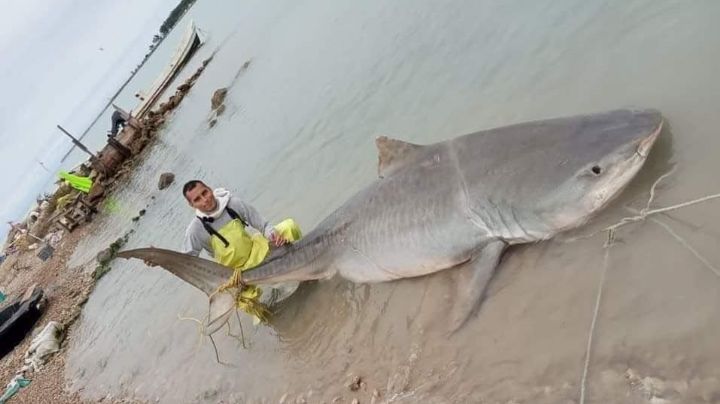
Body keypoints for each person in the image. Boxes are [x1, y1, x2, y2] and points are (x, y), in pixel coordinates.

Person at [181, 180, 302, 323]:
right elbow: (186, 265)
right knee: (255, 307)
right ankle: (274, 321)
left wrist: (274, 236)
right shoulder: (194, 231)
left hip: (256, 251)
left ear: (210, 189)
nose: (205, 199)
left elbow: (263, 225)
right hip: (235, 274)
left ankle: (304, 270)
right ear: (192, 205)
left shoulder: (233, 204)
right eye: (197, 199)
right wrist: (158, 259)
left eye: (204, 192)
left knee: (289, 227)